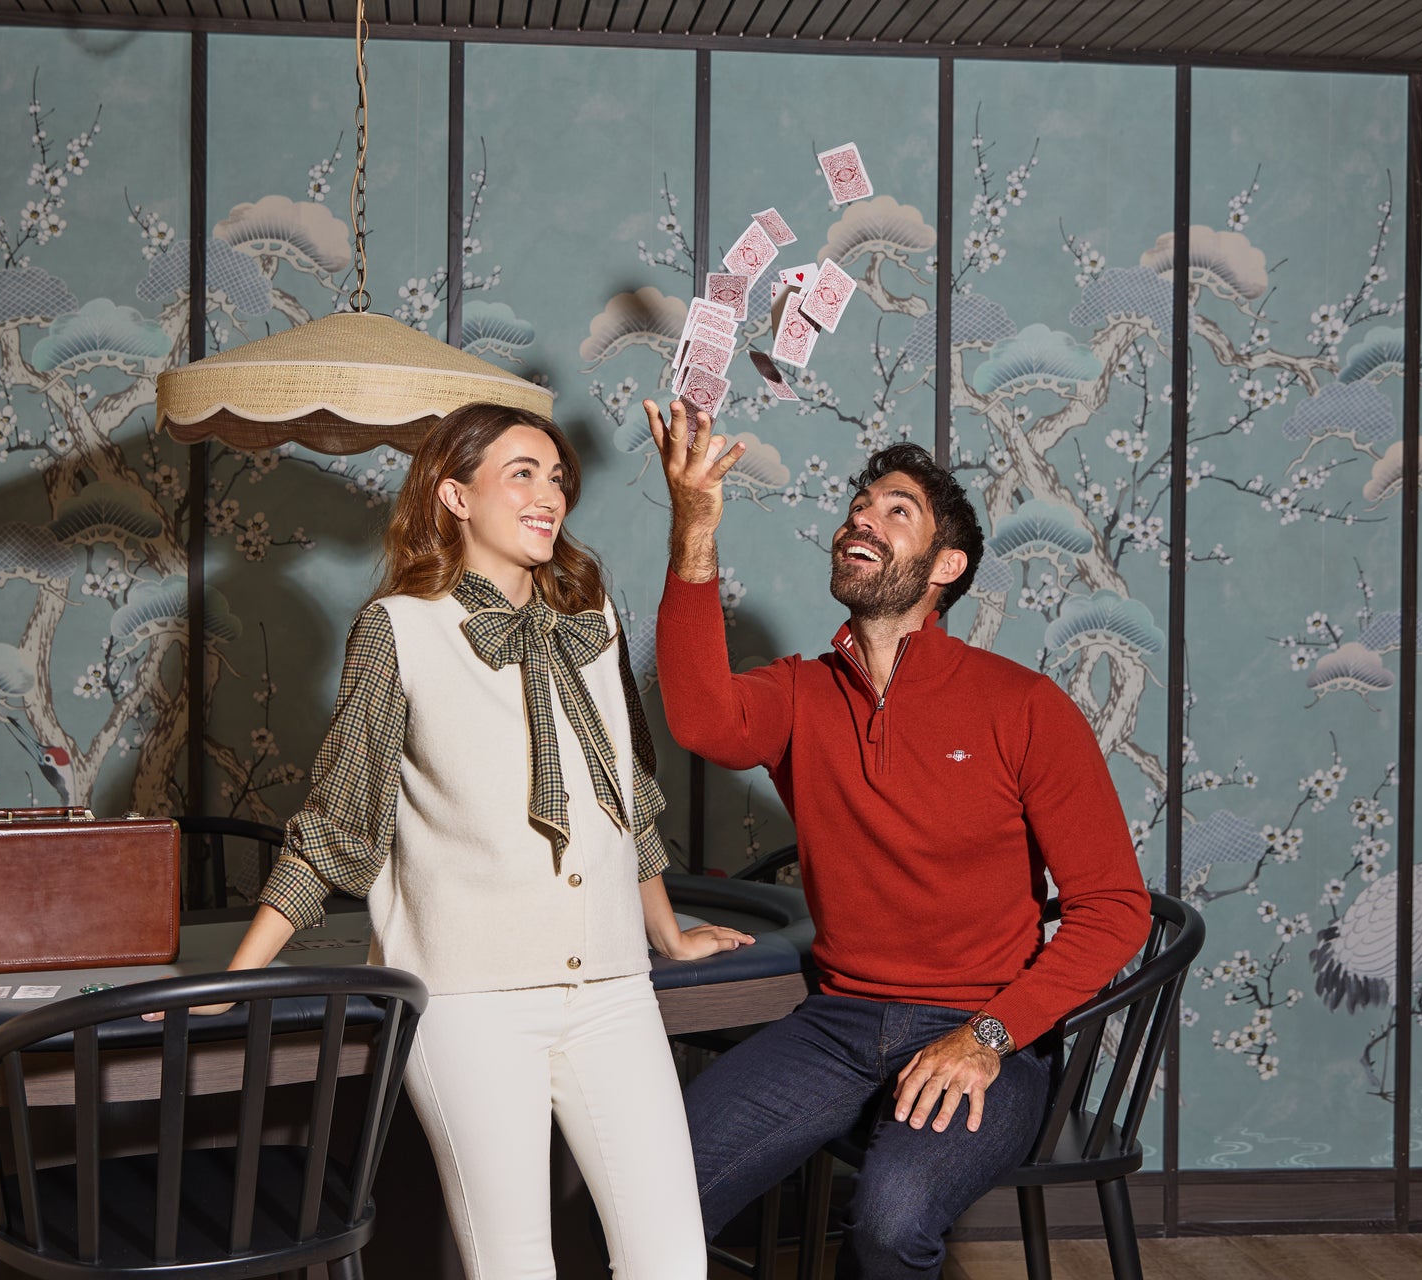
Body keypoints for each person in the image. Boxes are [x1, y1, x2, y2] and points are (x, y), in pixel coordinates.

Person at [200, 402, 752, 1279]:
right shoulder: (401, 631)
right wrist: (232, 984)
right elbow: (339, 825)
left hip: (613, 987)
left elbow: (630, 801)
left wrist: (668, 931)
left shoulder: (593, 624)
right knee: (514, 1266)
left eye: (558, 478)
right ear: (455, 495)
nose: (549, 495)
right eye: (521, 474)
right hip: (470, 1002)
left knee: (673, 1261)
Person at [643, 398, 1151, 1279]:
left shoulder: (1025, 706)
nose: (861, 519)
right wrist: (694, 525)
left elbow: (1114, 912)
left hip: (987, 1032)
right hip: (836, 1023)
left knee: (889, 1224)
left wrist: (989, 1037)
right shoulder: (802, 694)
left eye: (895, 510)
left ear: (946, 565)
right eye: (859, 505)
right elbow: (698, 716)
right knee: (650, 1195)